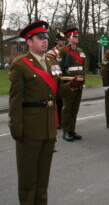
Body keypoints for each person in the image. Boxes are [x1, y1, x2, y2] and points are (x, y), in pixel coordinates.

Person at [8, 20, 69, 204]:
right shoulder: (20, 64)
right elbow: (15, 101)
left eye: (46, 37)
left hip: (49, 128)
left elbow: (58, 91)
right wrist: (17, 129)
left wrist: (71, 86)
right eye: (40, 38)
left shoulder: (52, 61)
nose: (44, 41)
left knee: (43, 178)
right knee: (28, 179)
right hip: (30, 129)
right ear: (29, 41)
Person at [59, 27, 85, 142]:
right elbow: (60, 69)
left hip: (79, 83)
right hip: (69, 84)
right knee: (67, 109)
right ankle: (66, 131)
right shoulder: (63, 51)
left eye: (77, 36)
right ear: (69, 38)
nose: (77, 38)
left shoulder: (80, 51)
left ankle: (72, 130)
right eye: (74, 36)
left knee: (75, 108)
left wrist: (83, 80)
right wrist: (64, 84)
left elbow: (84, 67)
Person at [47, 31, 66, 129]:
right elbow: (53, 67)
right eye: (60, 40)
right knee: (58, 102)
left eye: (63, 40)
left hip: (66, 79)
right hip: (57, 79)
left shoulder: (66, 51)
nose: (62, 42)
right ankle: (58, 121)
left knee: (65, 102)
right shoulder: (52, 53)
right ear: (56, 41)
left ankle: (65, 120)